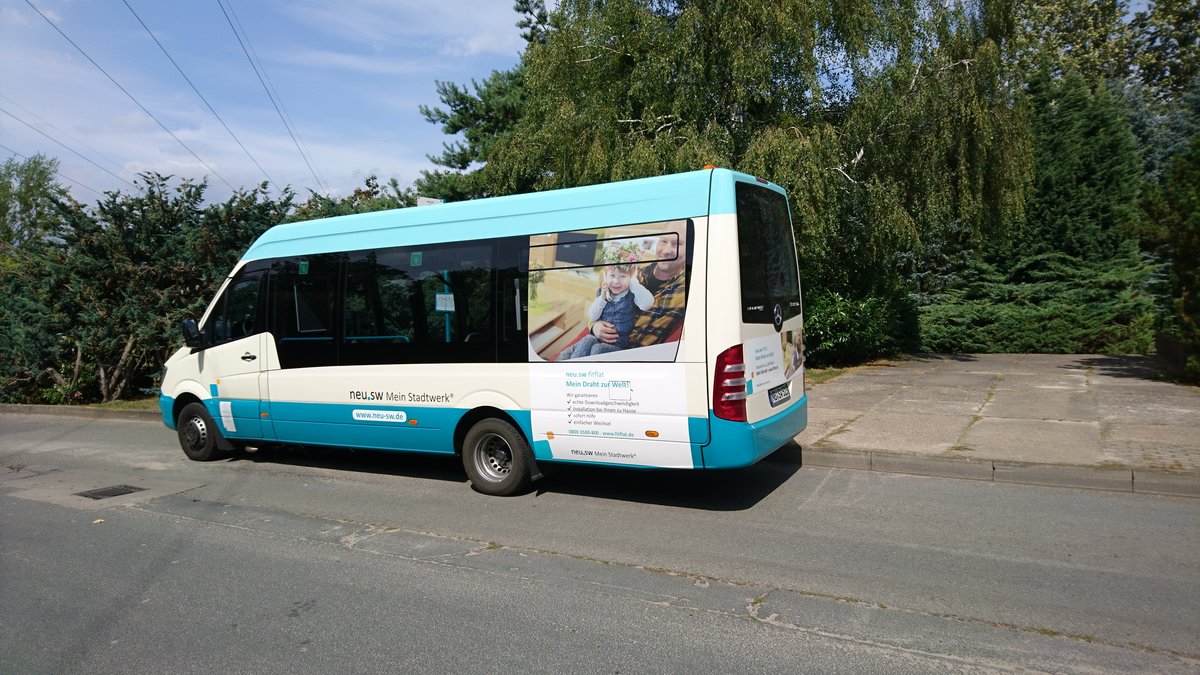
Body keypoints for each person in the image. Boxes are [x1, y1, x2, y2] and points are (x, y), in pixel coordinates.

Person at [588, 221, 687, 350]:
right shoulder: (633, 271)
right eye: (663, 241)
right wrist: (594, 326)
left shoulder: (686, 289)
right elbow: (599, 306)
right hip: (598, 338)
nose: (666, 250)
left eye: (678, 244)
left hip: (629, 353)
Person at [561, 242, 653, 359]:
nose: (616, 281)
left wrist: (634, 282)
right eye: (612, 276)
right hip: (597, 337)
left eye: (622, 277)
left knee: (598, 349)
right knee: (587, 339)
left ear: (630, 277)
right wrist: (602, 298)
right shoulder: (603, 293)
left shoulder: (632, 295)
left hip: (617, 345)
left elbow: (647, 304)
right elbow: (592, 316)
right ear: (605, 275)